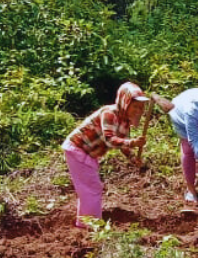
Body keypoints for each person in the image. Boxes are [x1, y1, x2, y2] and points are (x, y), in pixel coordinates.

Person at [62, 81, 150, 228]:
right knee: (92, 187)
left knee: (89, 187)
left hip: (89, 153)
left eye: (141, 107)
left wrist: (134, 159)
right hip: (78, 149)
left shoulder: (125, 121)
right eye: (135, 106)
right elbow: (109, 139)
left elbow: (122, 144)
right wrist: (133, 142)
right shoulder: (109, 113)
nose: (138, 110)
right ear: (125, 102)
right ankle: (91, 224)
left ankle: (86, 221)